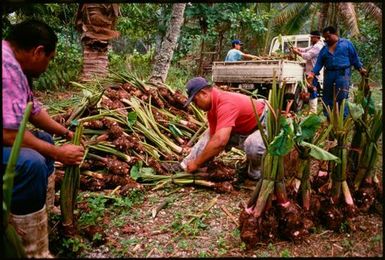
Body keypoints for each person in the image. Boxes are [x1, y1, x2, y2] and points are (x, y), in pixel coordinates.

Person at [2, 20, 84, 257]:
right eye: (49, 59)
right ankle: (31, 249)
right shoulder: (6, 68)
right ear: (38, 51)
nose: (48, 65)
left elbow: (33, 110)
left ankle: (40, 216)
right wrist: (59, 153)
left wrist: (65, 134)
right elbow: (8, 135)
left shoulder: (14, 64)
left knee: (45, 140)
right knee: (32, 163)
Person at [179, 77, 267, 180]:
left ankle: (256, 176)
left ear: (204, 93)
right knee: (208, 136)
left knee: (253, 145)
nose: (196, 105)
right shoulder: (212, 109)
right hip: (244, 127)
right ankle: (185, 165)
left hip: (264, 123)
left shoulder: (226, 103)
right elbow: (213, 139)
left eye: (195, 101)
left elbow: (220, 141)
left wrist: (197, 163)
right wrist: (197, 163)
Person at [307, 26, 367, 117]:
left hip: (342, 74)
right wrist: (312, 73)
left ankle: (343, 118)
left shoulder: (346, 44)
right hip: (329, 74)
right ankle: (329, 117)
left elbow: (354, 58)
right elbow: (319, 63)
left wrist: (360, 69)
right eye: (325, 37)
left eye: (328, 36)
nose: (326, 39)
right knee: (327, 96)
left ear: (335, 34)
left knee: (342, 96)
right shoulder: (324, 49)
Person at [291, 31, 324, 113]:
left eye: (312, 37)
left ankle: (313, 111)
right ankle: (312, 110)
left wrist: (297, 53)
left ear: (317, 38)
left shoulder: (318, 47)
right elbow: (306, 49)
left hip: (313, 73)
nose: (311, 39)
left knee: (312, 90)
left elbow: (308, 56)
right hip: (310, 72)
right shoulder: (314, 45)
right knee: (311, 90)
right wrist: (298, 48)